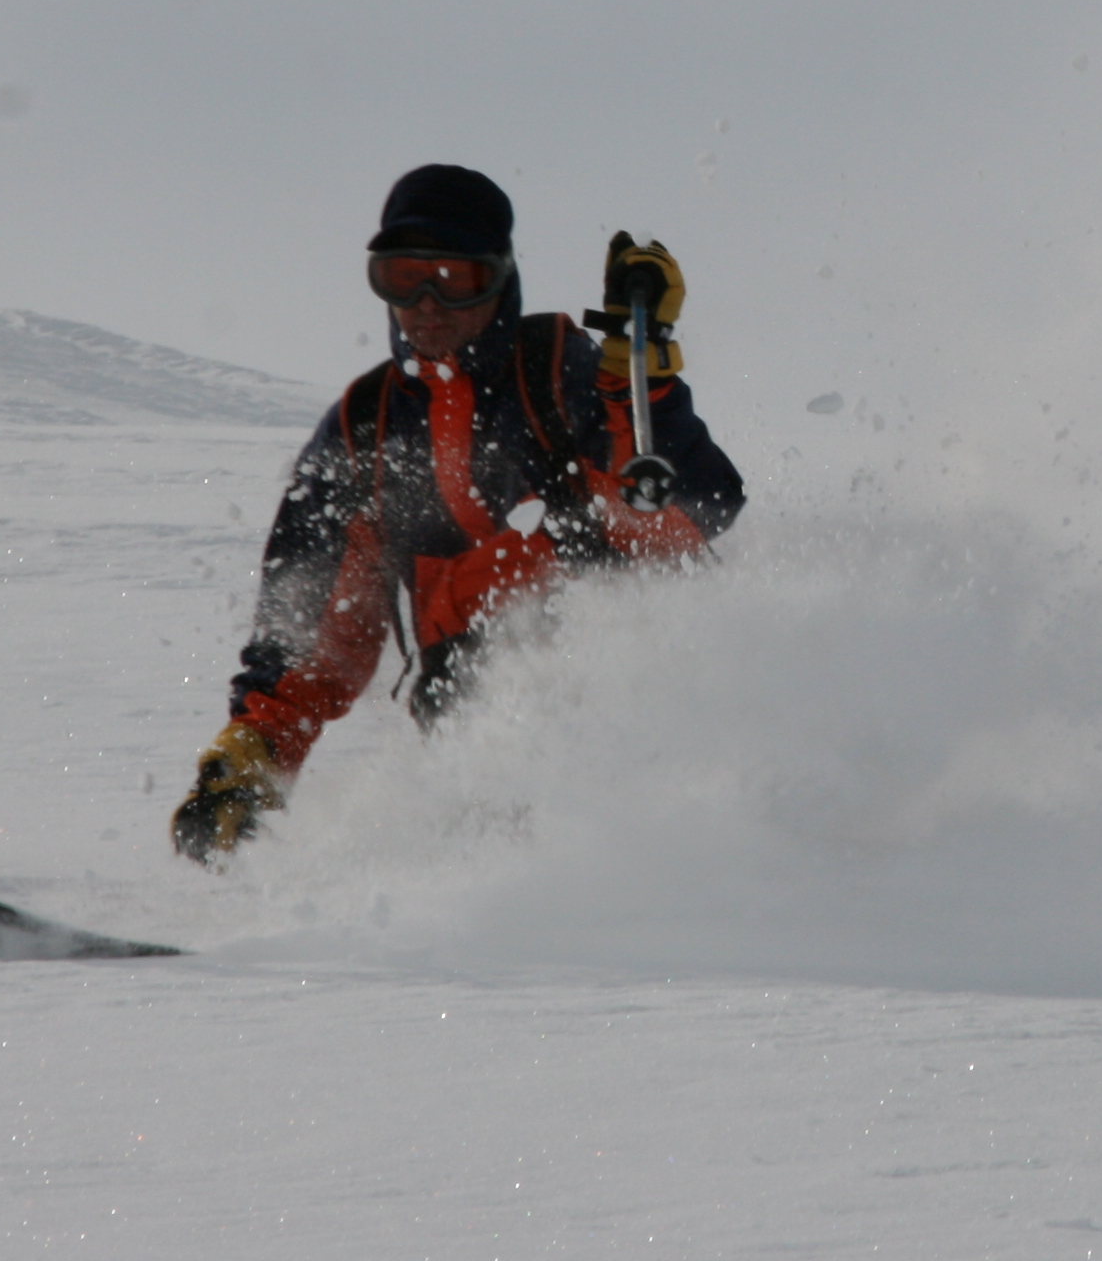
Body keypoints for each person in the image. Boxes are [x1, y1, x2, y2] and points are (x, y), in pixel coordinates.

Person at [171, 163, 746, 860]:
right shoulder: (369, 427)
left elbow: (691, 511)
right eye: (401, 276)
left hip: (635, 704)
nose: (425, 304)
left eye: (454, 278)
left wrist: (644, 382)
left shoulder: (560, 373)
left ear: (500, 279)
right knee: (465, 754)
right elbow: (316, 629)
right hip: (471, 727)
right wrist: (252, 755)